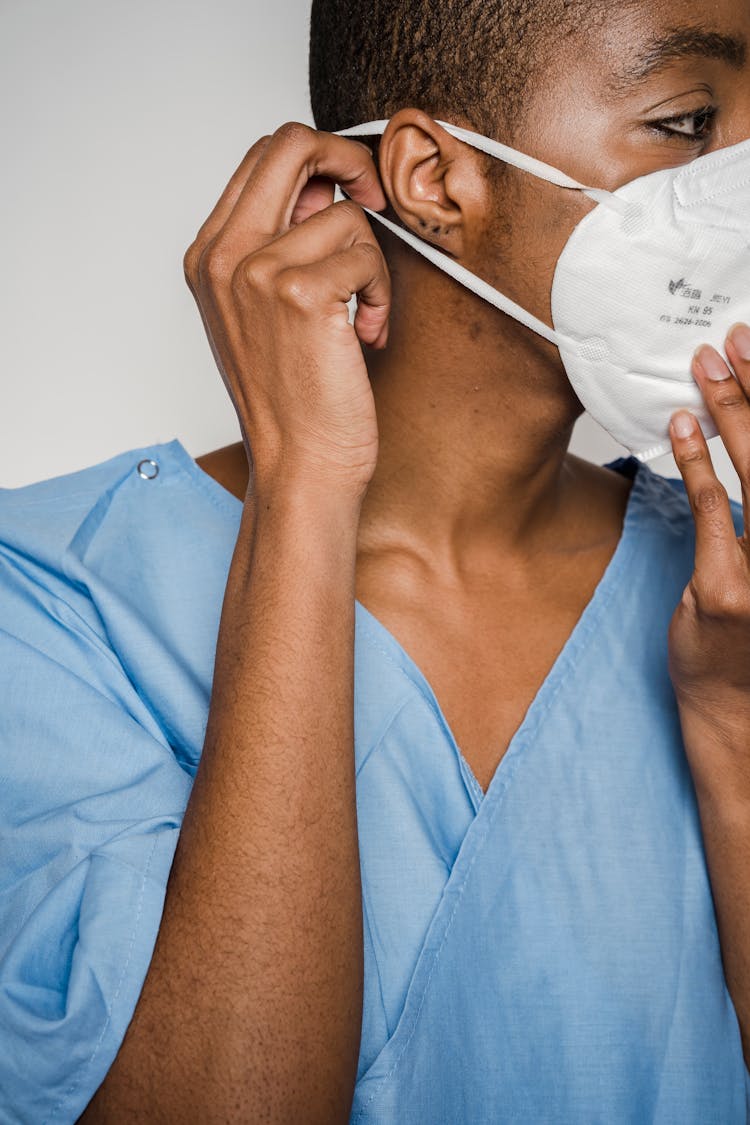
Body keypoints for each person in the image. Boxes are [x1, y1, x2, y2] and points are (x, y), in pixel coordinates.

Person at [2, 0, 750, 1120]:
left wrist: (736, 733)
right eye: (691, 121)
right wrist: (304, 482)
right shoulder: (53, 599)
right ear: (436, 178)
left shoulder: (723, 593)